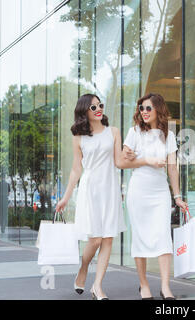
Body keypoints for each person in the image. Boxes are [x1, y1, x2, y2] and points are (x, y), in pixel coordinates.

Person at [55, 93, 128, 300]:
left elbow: (118, 162)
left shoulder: (113, 132)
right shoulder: (78, 137)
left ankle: (97, 286)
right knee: (95, 239)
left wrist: (131, 156)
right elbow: (76, 170)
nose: (98, 109)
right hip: (90, 189)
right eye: (93, 106)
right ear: (84, 111)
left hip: (110, 188)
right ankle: (83, 268)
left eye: (100, 105)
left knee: (107, 239)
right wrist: (65, 197)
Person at [118, 92, 188, 300]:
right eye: (141, 108)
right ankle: (144, 284)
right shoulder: (134, 132)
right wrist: (146, 160)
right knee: (140, 238)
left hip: (160, 193)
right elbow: (123, 162)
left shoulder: (169, 136)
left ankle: (166, 286)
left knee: (164, 238)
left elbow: (173, 169)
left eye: (148, 108)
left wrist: (177, 196)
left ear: (158, 109)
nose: (144, 112)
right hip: (138, 190)